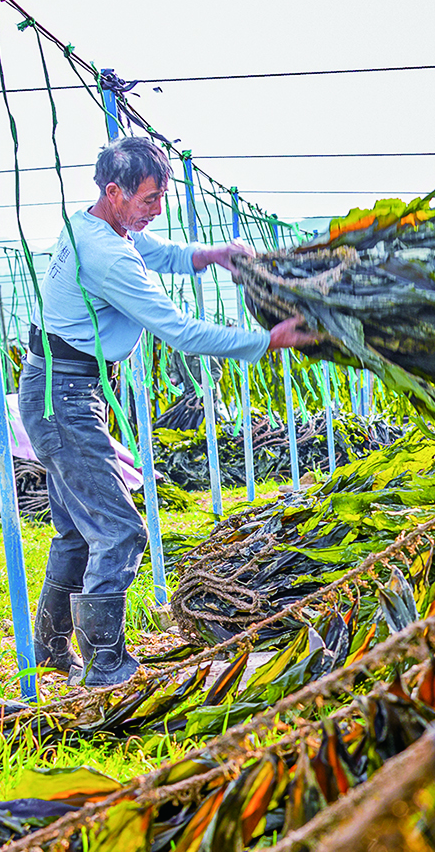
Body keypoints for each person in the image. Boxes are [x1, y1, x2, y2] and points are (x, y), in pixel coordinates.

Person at [21, 135, 314, 686]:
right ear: (115, 191)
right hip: (66, 397)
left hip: (56, 388)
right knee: (118, 529)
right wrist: (265, 342)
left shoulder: (92, 225)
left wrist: (213, 256)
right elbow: (179, 331)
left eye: (162, 197)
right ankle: (104, 662)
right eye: (149, 199)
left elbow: (155, 250)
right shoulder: (109, 257)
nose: (157, 210)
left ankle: (51, 650)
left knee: (77, 532)